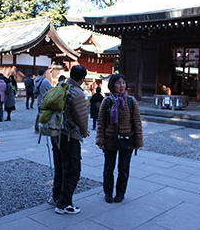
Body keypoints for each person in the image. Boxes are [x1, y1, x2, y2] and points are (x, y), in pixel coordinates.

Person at [95, 74, 143, 203]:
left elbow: (137, 122)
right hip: (110, 139)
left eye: (123, 83)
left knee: (124, 168)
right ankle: (108, 192)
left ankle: (120, 192)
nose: (121, 86)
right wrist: (100, 140)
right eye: (118, 83)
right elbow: (101, 122)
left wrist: (138, 141)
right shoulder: (107, 101)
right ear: (112, 85)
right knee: (108, 168)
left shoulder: (131, 101)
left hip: (127, 138)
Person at [48, 65, 89, 215]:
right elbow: (82, 116)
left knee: (60, 167)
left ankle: (56, 197)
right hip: (69, 136)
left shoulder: (61, 86)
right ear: (82, 78)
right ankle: (64, 204)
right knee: (72, 169)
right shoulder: (77, 92)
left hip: (55, 134)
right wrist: (84, 132)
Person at [34, 68, 51, 133]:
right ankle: (44, 127)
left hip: (39, 100)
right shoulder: (45, 81)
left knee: (39, 114)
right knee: (46, 114)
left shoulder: (35, 80)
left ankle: (36, 127)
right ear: (44, 73)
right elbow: (50, 89)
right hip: (45, 100)